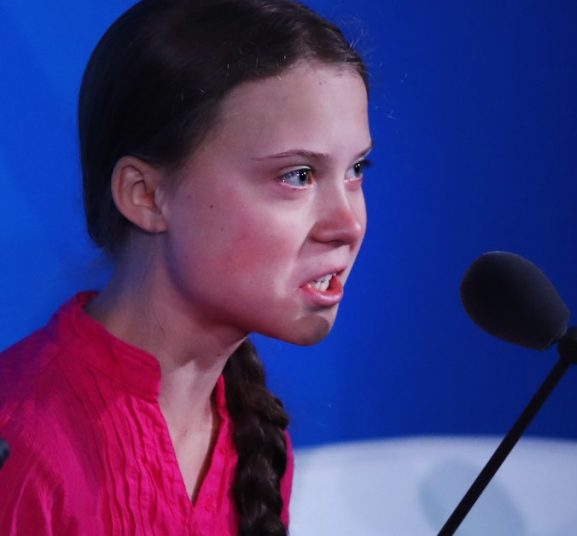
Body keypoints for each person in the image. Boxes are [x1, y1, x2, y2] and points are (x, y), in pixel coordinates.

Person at [0, 0, 371, 534]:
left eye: (357, 169)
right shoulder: (23, 449)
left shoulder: (257, 442)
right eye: (297, 176)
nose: (348, 223)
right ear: (145, 195)